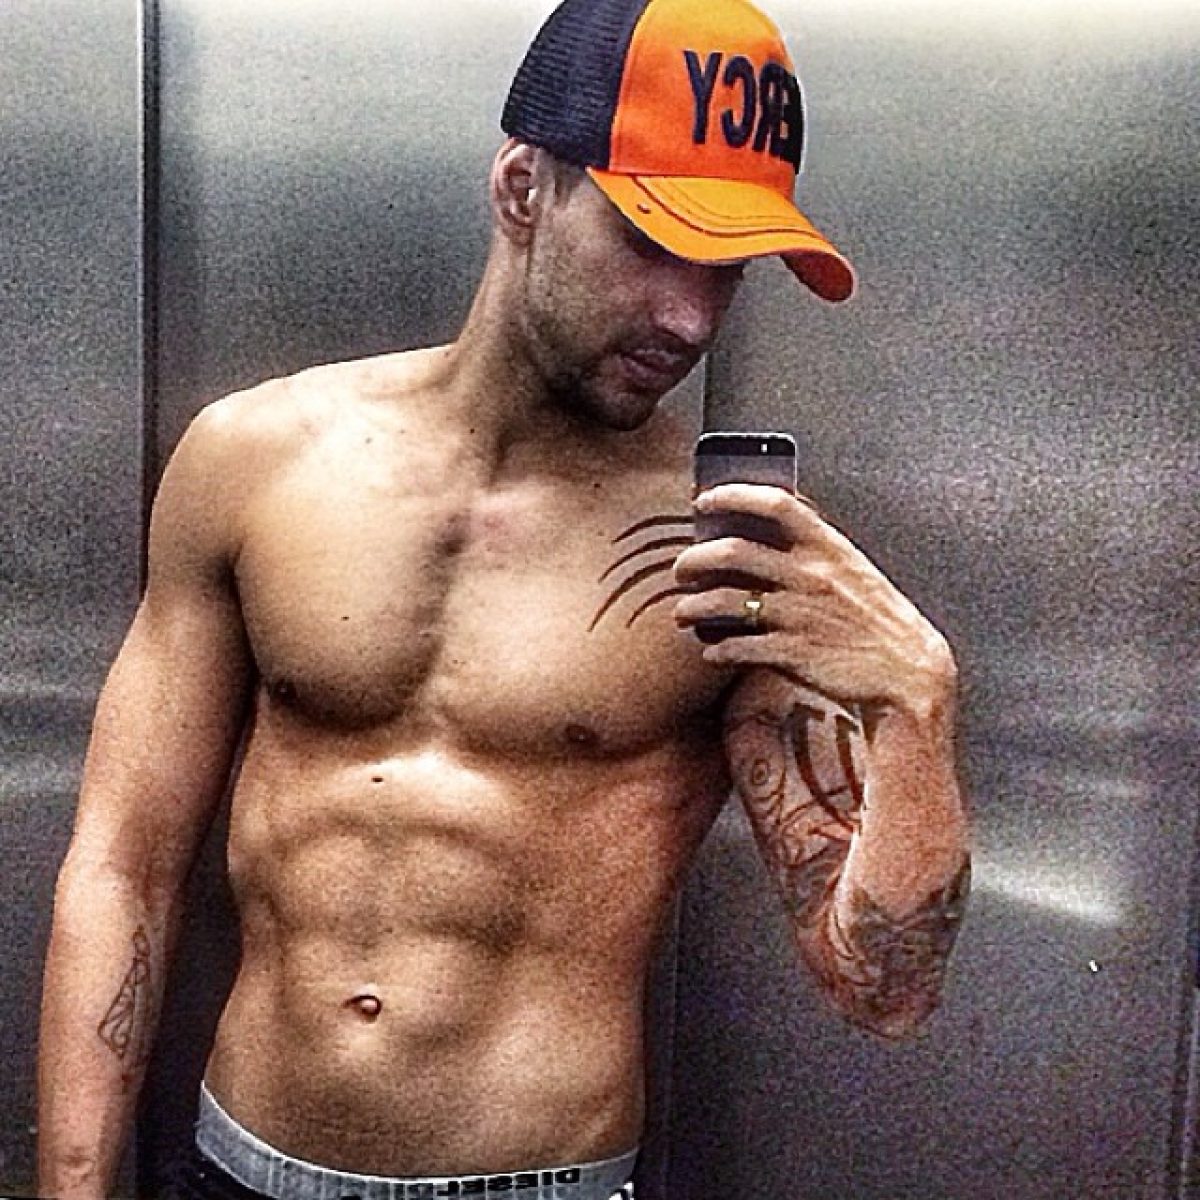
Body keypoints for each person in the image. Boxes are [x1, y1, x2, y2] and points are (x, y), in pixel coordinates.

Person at [37, 0, 970, 1197]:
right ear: (525, 187)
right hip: (235, 1169)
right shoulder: (255, 461)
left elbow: (882, 989)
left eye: (726, 271)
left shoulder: (729, 557)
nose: (689, 316)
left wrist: (915, 707)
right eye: (652, 241)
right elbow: (122, 865)